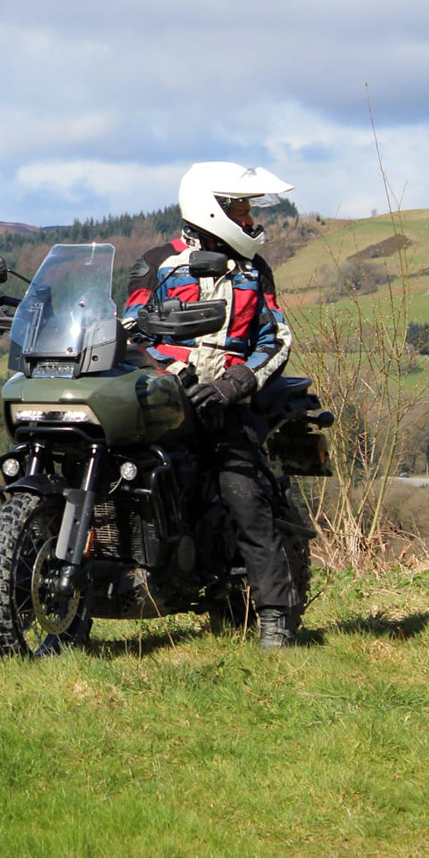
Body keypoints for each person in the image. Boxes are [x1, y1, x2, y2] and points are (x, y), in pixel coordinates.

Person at [123, 160, 299, 648]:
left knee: (243, 493)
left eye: (247, 207)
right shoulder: (158, 262)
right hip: (164, 399)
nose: (249, 218)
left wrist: (234, 383)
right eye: (241, 207)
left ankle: (275, 617)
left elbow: (276, 338)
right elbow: (132, 328)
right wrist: (176, 373)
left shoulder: (253, 270)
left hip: (228, 402)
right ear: (214, 209)